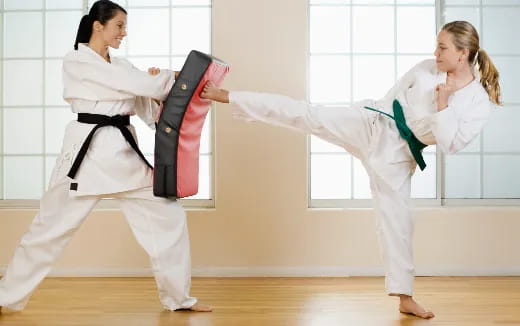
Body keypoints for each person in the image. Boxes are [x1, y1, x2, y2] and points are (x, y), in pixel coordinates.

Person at [200, 21, 501, 319]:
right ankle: (228, 96)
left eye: (442, 47)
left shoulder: (478, 103)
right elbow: (392, 96)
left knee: (398, 225)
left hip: (397, 158)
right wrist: (374, 117)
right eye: (437, 45)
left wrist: (444, 103)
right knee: (308, 114)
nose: (435, 52)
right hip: (371, 123)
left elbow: (451, 145)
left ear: (462, 54)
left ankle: (405, 298)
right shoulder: (425, 68)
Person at [0, 0, 211, 313]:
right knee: (47, 232)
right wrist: (173, 79)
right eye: (119, 26)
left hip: (125, 157)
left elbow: (148, 107)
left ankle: (178, 298)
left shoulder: (121, 65)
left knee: (169, 218)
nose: (124, 33)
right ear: (98, 26)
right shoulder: (77, 60)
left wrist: (157, 90)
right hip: (85, 157)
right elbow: (139, 85)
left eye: (125, 27)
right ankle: (5, 298)